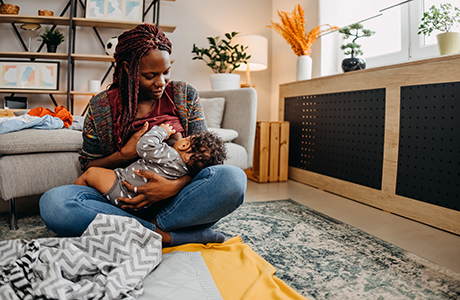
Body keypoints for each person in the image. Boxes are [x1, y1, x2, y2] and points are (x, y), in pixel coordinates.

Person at [39, 23, 247, 246]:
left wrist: (172, 187)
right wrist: (123, 155)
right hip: (119, 199)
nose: (161, 83)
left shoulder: (183, 95)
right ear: (129, 69)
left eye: (165, 73)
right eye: (150, 76)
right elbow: (89, 167)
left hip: (175, 200)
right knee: (55, 203)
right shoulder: (102, 106)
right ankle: (163, 235)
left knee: (233, 179)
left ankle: (138, 230)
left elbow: (203, 159)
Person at [74, 122, 227, 207]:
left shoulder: (171, 156)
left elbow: (144, 146)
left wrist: (162, 131)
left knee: (91, 174)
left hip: (121, 186)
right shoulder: (183, 171)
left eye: (186, 138)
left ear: (184, 146)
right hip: (140, 201)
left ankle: (74, 195)